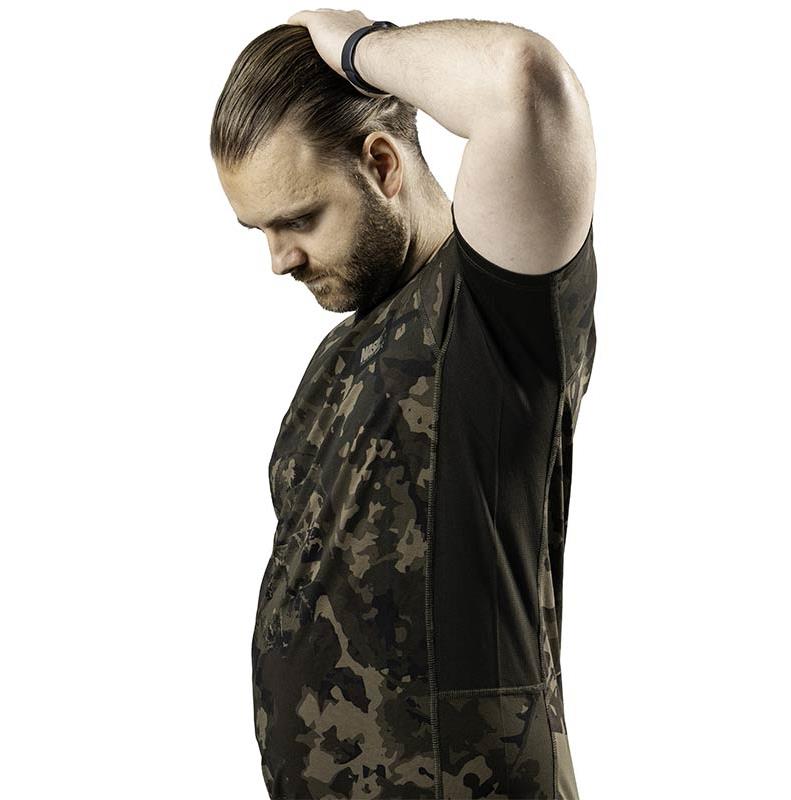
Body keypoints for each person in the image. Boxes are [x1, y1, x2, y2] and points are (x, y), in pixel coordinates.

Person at [210, 10, 597, 799]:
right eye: (260, 230)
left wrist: (360, 49)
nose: (279, 259)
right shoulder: (344, 352)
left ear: (382, 163)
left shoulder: (489, 313)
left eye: (299, 219)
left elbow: (523, 82)